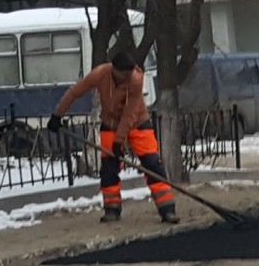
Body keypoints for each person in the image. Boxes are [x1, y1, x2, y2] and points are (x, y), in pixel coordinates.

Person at [46, 50, 177, 224]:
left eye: (129, 74)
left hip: (138, 122)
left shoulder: (136, 79)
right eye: (124, 74)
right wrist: (57, 115)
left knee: (152, 163)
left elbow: (129, 114)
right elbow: (75, 92)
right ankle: (112, 209)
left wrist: (119, 141)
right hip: (110, 123)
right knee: (109, 166)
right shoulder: (101, 74)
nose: (127, 77)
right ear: (114, 69)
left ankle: (167, 209)